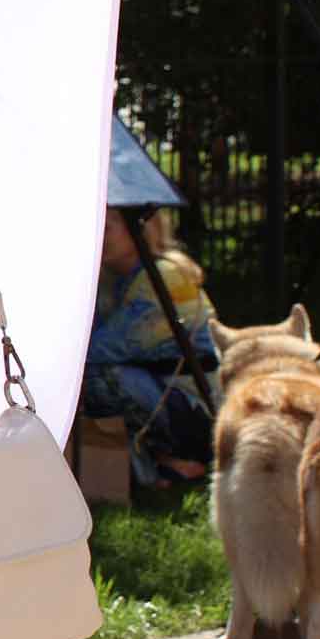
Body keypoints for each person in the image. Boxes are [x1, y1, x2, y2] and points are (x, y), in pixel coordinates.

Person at [81, 204, 218, 487]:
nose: (96, 235)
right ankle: (159, 463)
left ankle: (157, 467)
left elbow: (95, 350)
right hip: (171, 397)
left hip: (198, 411)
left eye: (106, 228)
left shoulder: (162, 278)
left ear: (139, 229)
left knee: (98, 377)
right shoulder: (123, 280)